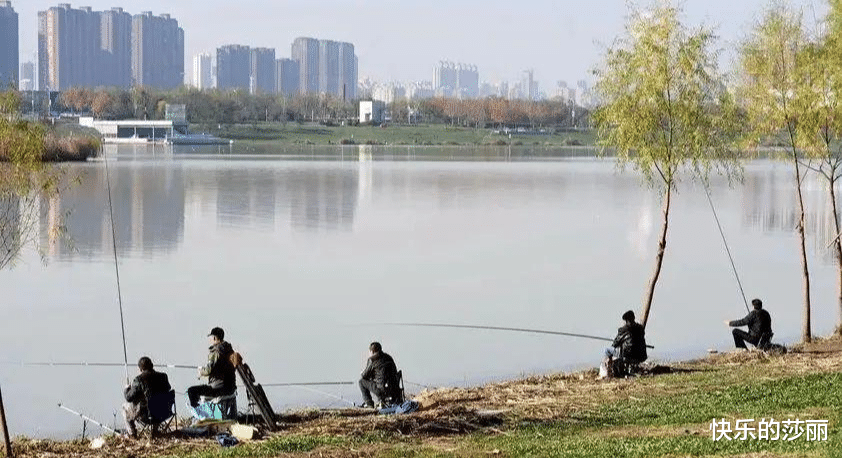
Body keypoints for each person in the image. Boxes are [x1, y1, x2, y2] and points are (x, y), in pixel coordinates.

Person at [123, 356, 171, 438]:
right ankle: (155, 431)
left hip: (147, 416)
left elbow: (128, 398)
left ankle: (132, 434)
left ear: (140, 369)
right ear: (152, 365)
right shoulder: (163, 376)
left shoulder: (138, 380)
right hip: (164, 413)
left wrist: (127, 389)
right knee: (156, 403)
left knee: (125, 407)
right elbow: (168, 388)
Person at [187, 327, 236, 407]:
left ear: (214, 337)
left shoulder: (216, 351)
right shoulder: (229, 350)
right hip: (230, 388)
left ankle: (200, 412)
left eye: (211, 337)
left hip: (218, 389)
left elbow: (209, 370)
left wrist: (201, 371)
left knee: (191, 391)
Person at [599, 310, 648, 379]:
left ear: (626, 320)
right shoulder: (640, 328)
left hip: (627, 356)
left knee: (607, 350)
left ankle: (606, 372)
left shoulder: (623, 330)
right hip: (640, 356)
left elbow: (614, 344)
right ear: (633, 318)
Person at [358, 342, 401, 408]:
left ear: (372, 351)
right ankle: (383, 401)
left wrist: (362, 373)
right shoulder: (389, 357)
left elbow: (364, 376)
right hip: (393, 389)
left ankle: (369, 403)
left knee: (361, 382)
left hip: (381, 390)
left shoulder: (372, 360)